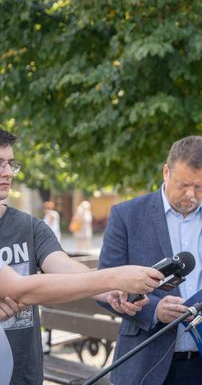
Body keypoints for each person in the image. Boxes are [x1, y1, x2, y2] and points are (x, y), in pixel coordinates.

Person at [0, 128, 162, 384]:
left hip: (23, 374)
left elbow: (62, 266)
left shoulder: (29, 226)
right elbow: (19, 289)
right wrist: (115, 277)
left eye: (11, 163)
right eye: (0, 164)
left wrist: (109, 291)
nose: (8, 172)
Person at [98, 135, 202, 385]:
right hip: (145, 362)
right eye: (183, 185)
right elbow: (103, 283)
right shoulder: (126, 215)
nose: (191, 194)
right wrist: (154, 310)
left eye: (199, 186)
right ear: (166, 172)